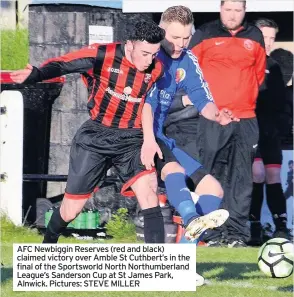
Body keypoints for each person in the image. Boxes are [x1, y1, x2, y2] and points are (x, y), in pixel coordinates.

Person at [11, 20, 170, 244]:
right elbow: (63, 65)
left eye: (154, 54)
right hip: (96, 137)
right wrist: (37, 74)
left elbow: (149, 104)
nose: (149, 60)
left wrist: (149, 139)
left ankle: (158, 269)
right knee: (70, 210)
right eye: (145, 53)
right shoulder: (101, 55)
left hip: (132, 139)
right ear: (130, 44)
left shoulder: (157, 68)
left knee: (150, 193)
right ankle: (47, 247)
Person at [142, 5, 237, 286]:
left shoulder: (188, 60)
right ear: (161, 32)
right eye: (174, 37)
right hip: (138, 134)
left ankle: (182, 260)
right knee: (172, 169)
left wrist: (216, 114)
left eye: (186, 38)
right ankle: (189, 215)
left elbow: (201, 97)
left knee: (213, 190)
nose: (179, 44)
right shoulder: (148, 56)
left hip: (162, 135)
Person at [188, 0, 266, 247]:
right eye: (228, 9)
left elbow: (259, 75)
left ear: (245, 11)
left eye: (238, 10)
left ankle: (237, 235)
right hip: (213, 118)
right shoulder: (204, 33)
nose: (233, 15)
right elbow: (190, 71)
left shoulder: (255, 36)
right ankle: (211, 233)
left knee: (242, 178)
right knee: (211, 173)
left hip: (246, 119)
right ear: (220, 9)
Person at [249, 18, 291, 244]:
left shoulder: (274, 66)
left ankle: (281, 227)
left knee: (273, 176)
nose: (267, 42)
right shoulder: (243, 63)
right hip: (249, 129)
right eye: (263, 36)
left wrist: (279, 126)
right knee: (257, 174)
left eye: (272, 38)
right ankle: (253, 226)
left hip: (270, 132)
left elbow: (280, 102)